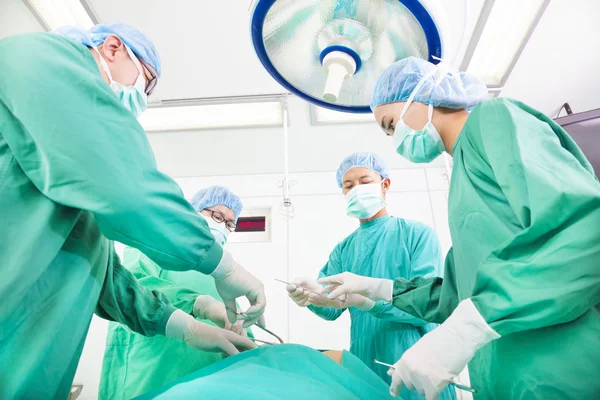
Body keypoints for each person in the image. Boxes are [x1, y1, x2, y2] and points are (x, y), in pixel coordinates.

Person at [0, 24, 265, 399]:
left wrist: (179, 324)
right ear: (112, 48)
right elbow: (129, 188)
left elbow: (106, 278)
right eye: (147, 81)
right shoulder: (36, 56)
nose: (142, 98)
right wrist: (223, 265)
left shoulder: (77, 185)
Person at [317, 57, 600, 399]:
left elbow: (586, 230)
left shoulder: (493, 120)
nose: (396, 138)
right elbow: (456, 291)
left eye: (392, 124)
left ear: (422, 95)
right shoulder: (461, 182)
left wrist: (465, 330)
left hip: (560, 367)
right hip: (505, 378)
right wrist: (376, 287)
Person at [286, 152, 455, 400]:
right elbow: (332, 308)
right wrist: (312, 296)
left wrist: (367, 303)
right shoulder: (344, 250)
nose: (357, 189)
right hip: (364, 362)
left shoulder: (417, 235)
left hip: (417, 359)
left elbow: (428, 307)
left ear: (384, 184)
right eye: (349, 185)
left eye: (365, 182)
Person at [100, 186, 255, 399]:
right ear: (194, 213)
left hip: (209, 381)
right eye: (217, 216)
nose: (224, 228)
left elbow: (235, 324)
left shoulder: (220, 275)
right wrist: (199, 304)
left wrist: (250, 343)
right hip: (152, 369)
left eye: (230, 223)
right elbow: (133, 286)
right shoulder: (153, 243)